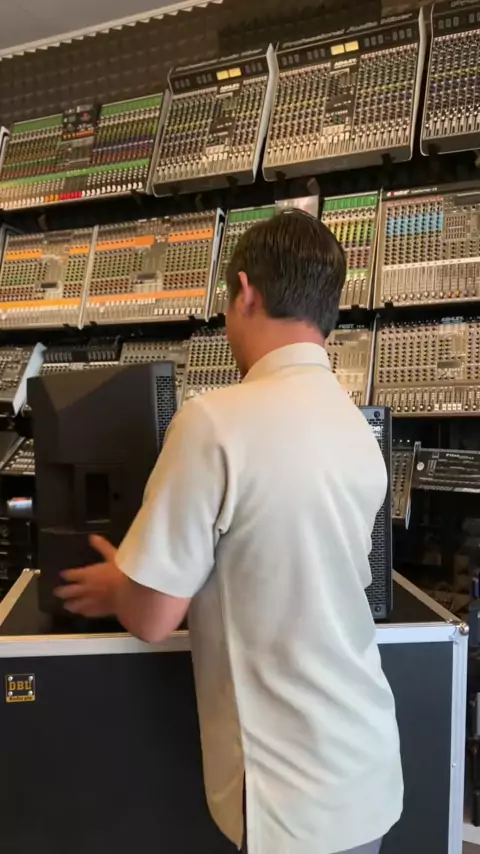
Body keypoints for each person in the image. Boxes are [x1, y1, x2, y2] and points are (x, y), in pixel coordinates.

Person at [55, 210, 403, 854]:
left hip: (287, 796)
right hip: (364, 771)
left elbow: (154, 616)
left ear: (245, 292)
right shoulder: (358, 429)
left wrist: (118, 585)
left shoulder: (214, 422)